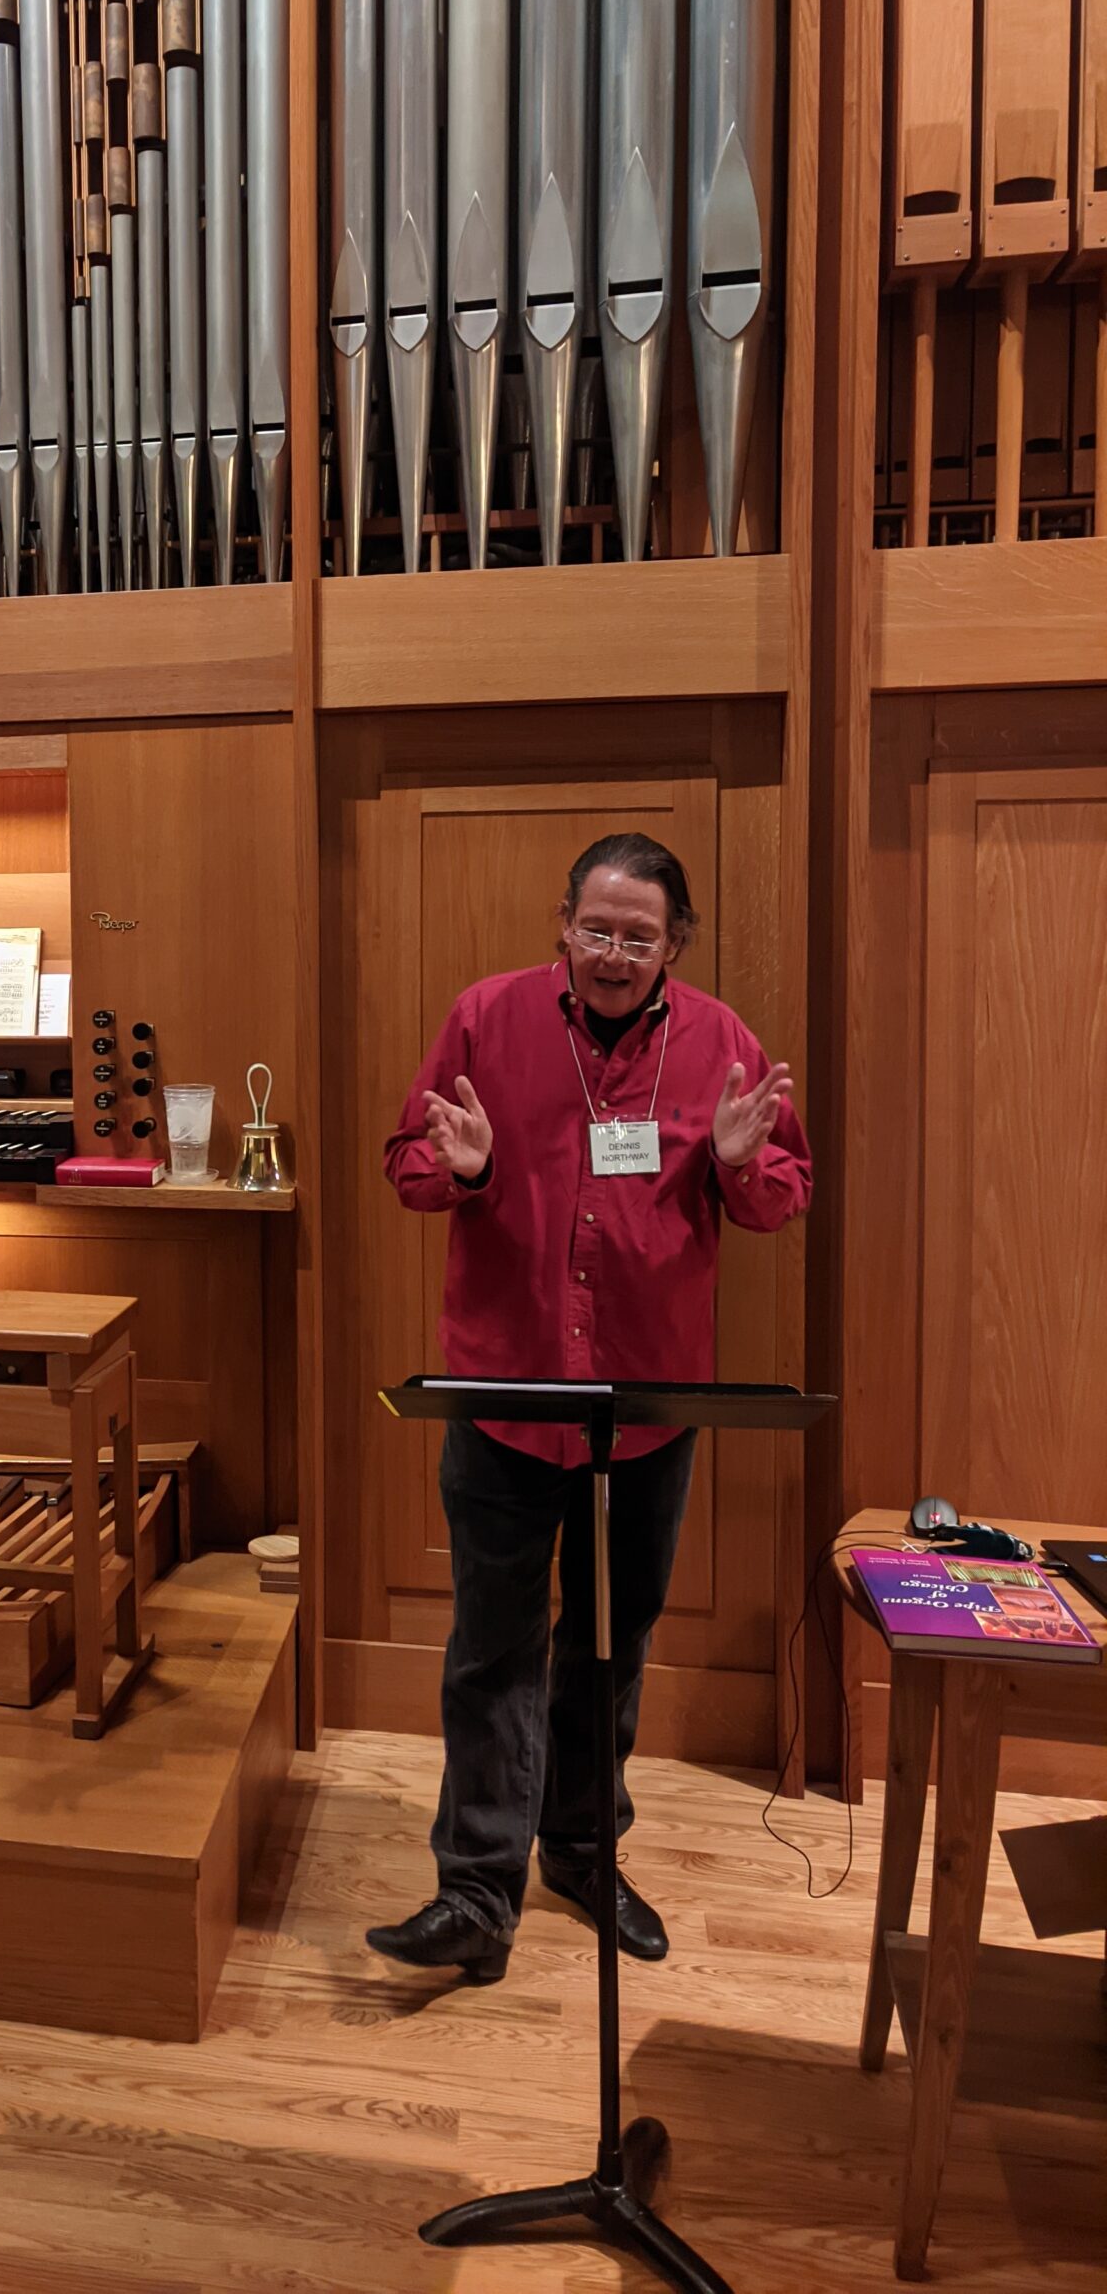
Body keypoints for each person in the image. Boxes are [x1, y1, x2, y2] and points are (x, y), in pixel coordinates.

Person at [365, 831, 811, 1986]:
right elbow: (407, 1159)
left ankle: (581, 1849)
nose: (615, 953)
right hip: (505, 1394)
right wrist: (461, 1169)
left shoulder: (721, 1043)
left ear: (677, 945)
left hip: (646, 1406)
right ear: (563, 923)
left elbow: (779, 1197)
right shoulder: (486, 1016)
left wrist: (733, 1165)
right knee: (491, 1650)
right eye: (597, 928)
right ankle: (475, 1887)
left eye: (640, 936)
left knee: (607, 1647)